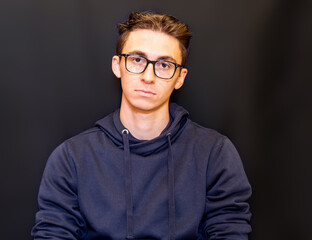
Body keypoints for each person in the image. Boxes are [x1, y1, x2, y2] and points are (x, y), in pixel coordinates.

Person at [31, 11, 252, 240]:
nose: (148, 76)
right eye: (137, 60)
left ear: (180, 78)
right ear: (117, 65)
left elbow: (230, 232)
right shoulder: (72, 158)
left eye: (164, 65)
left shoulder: (214, 154)